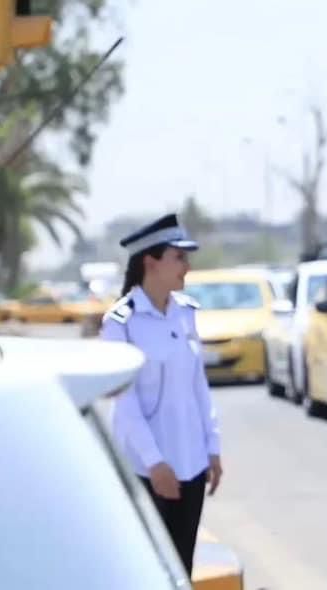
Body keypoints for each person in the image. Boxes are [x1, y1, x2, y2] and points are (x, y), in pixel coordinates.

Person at [100, 213, 222, 576]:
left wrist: (212, 446)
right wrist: (154, 462)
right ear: (150, 262)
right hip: (146, 467)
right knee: (148, 569)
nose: (187, 266)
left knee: (182, 568)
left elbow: (197, 384)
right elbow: (124, 401)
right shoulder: (120, 322)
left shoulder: (185, 313)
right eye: (179, 257)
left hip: (192, 463)